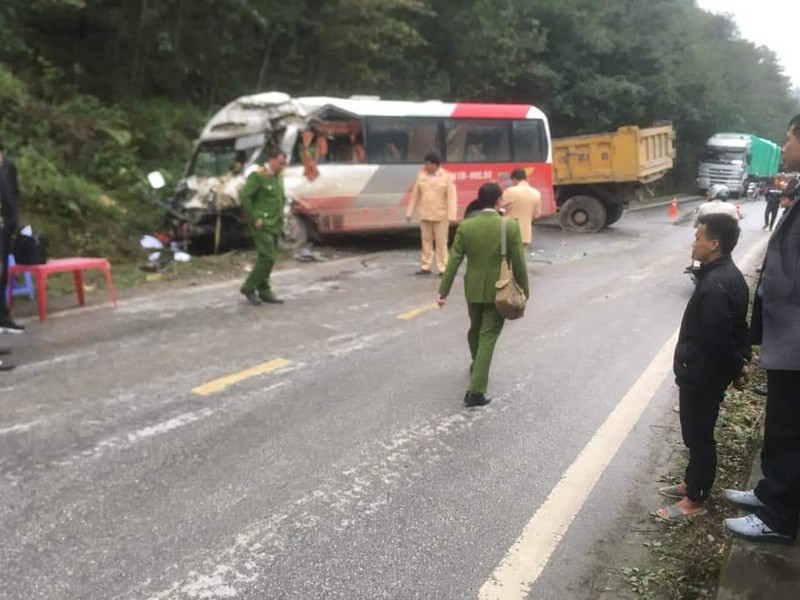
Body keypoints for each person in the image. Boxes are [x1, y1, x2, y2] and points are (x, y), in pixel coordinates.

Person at [724, 114, 800, 544]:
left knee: (791, 426)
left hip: (797, 335)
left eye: (789, 138)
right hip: (788, 331)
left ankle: (780, 517)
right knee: (781, 420)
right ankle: (771, 492)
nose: (784, 145)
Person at [654, 213, 750, 522]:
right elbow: (740, 329)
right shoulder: (726, 275)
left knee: (699, 436)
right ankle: (691, 482)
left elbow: (719, 338)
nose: (693, 243)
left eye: (698, 237)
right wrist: (741, 362)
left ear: (714, 244)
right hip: (705, 371)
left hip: (702, 374)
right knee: (695, 433)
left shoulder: (716, 285)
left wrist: (737, 366)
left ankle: (695, 499)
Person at [437, 183, 529, 407]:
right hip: (500, 290)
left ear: (479, 201)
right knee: (488, 337)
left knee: (475, 330)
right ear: (498, 201)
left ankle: (476, 363)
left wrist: (443, 291)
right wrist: (524, 291)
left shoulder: (466, 226)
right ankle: (476, 392)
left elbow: (455, 260)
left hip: (474, 289)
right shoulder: (509, 226)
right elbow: (519, 261)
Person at [239, 148, 287, 306]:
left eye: (284, 164)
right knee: (268, 257)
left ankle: (264, 290)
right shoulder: (258, 176)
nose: (282, 166)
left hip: (275, 222)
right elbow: (245, 196)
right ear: (271, 160)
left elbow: (280, 197)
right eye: (280, 163)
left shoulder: (278, 176)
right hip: (261, 223)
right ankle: (248, 287)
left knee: (268, 258)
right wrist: (254, 217)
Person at [406, 152, 457, 276]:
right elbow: (415, 196)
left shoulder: (447, 177)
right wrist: (409, 212)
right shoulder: (421, 176)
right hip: (425, 214)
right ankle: (425, 266)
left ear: (435, 164)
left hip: (441, 215)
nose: (426, 166)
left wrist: (452, 216)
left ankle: (443, 267)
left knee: (441, 243)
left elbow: (452, 197)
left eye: (428, 164)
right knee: (426, 241)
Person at [0, 141, 24, 334]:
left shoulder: (8, 165)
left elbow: (14, 194)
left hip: (6, 226)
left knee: (3, 274)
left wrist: (14, 218)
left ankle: (3, 316)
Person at [499, 168, 542, 247]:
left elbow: (498, 206)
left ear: (514, 179)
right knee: (521, 256)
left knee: (509, 257)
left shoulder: (510, 191)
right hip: (526, 235)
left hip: (510, 232)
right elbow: (537, 215)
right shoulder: (536, 193)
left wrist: (504, 212)